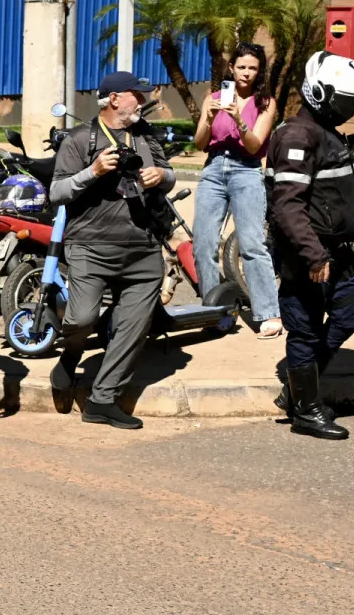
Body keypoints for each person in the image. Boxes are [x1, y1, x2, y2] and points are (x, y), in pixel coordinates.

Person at [266, 51, 354, 439]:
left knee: (349, 315)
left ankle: (297, 390)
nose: (351, 110)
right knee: (304, 331)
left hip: (338, 253)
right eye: (347, 102)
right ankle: (305, 410)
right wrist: (312, 253)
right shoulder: (296, 135)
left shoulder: (328, 135)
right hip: (308, 254)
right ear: (321, 94)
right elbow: (287, 204)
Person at [47, 71, 175, 429]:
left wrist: (160, 177)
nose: (144, 98)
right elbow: (56, 194)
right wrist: (94, 170)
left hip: (143, 247)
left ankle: (102, 401)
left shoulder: (145, 134)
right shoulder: (79, 139)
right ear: (115, 99)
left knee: (134, 326)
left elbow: (170, 172)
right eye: (138, 93)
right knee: (81, 319)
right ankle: (70, 357)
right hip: (91, 246)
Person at [192, 43, 281, 337]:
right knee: (203, 245)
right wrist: (208, 117)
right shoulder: (213, 98)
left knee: (252, 243)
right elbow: (200, 143)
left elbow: (255, 146)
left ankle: (269, 313)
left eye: (252, 68)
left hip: (247, 170)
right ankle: (211, 311)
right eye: (241, 67)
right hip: (214, 169)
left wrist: (239, 120)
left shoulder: (267, 103)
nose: (246, 73)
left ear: (259, 72)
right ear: (231, 69)